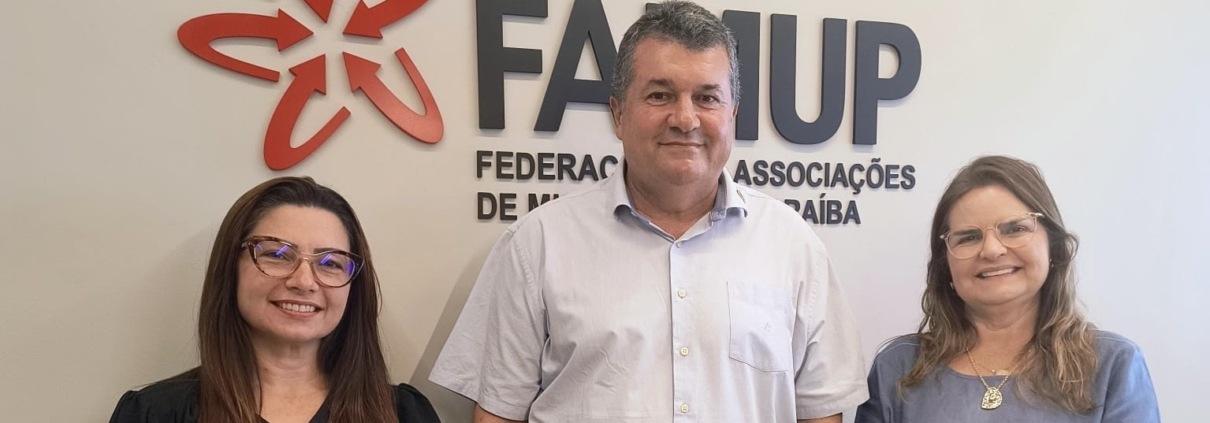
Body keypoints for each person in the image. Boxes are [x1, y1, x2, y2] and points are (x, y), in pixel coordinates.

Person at [428, 1, 867, 422]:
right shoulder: (537, 243)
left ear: (732, 115)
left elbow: (819, 412)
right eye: (660, 95)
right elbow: (498, 412)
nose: (685, 119)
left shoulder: (793, 245)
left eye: (707, 98)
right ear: (618, 114)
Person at [855, 155, 1161, 422]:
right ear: (945, 262)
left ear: (1053, 246)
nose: (991, 250)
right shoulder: (898, 368)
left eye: (1015, 229)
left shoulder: (1113, 366)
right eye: (968, 237)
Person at [109, 177, 440, 423]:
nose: (304, 282)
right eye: (277, 255)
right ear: (231, 267)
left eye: (330, 263)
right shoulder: (155, 413)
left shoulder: (402, 414)